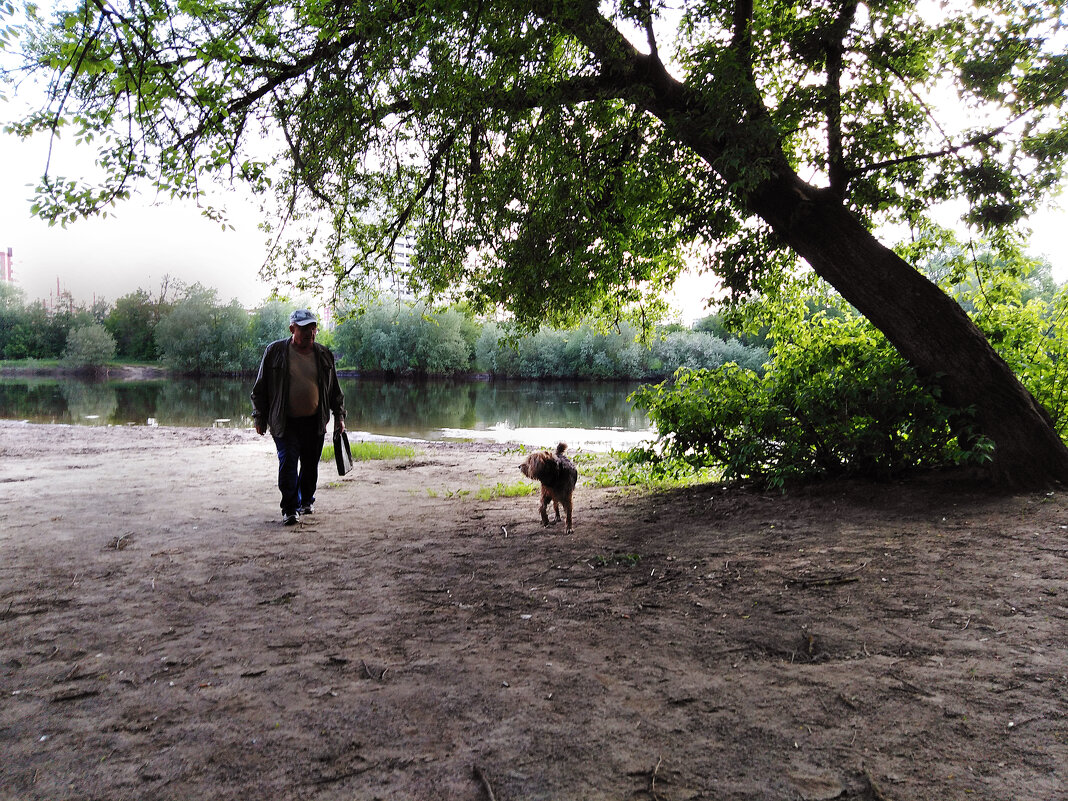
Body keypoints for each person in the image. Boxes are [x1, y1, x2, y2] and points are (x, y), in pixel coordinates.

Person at [251, 309, 346, 526]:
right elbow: (260, 388)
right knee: (288, 463)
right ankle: (290, 508)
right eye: (304, 328)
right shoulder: (274, 351)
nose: (309, 333)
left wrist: (339, 416)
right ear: (292, 328)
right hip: (285, 421)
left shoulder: (324, 354)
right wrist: (259, 416)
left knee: (310, 464)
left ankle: (306, 500)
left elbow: (334, 391)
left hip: (315, 420)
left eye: (312, 328)